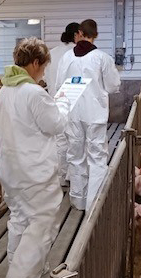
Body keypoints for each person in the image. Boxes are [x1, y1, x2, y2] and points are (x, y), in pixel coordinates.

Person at [0, 37, 70, 278]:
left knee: (19, 217)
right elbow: (55, 125)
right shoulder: (34, 93)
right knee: (42, 220)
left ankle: (18, 266)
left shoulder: (5, 89)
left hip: (10, 167)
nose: (44, 72)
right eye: (44, 67)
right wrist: (63, 103)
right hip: (33, 170)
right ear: (36, 62)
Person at [55, 19, 121, 211]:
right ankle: (94, 203)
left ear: (80, 33)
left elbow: (59, 84)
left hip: (72, 113)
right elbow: (112, 86)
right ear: (96, 35)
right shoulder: (102, 58)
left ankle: (78, 199)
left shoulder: (67, 57)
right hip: (94, 115)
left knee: (75, 155)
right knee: (97, 157)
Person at [44, 22, 80, 186]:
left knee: (59, 141)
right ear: (77, 35)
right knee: (76, 140)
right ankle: (73, 178)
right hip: (74, 103)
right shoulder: (77, 54)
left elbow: (45, 78)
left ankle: (60, 177)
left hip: (54, 102)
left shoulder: (52, 54)